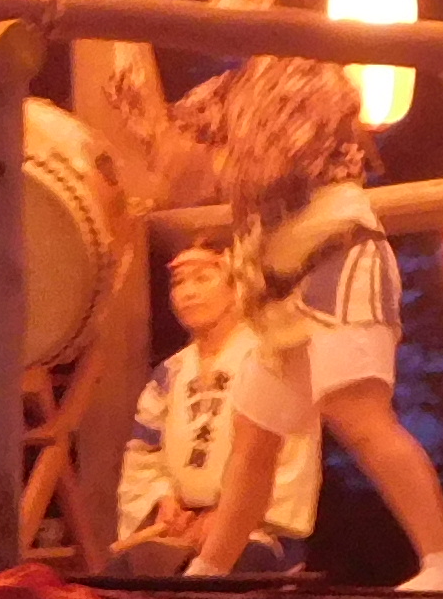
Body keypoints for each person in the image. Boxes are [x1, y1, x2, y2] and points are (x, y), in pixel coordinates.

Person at [121, 0, 443, 594]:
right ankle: (208, 573)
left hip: (337, 259)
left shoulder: (315, 67)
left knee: (360, 415)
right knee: (252, 438)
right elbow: (178, 164)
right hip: (281, 288)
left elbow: (265, 168)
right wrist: (134, 73)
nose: (213, 16)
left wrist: (212, 159)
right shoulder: (232, 89)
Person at [108, 236, 321, 574]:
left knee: (235, 571)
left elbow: (292, 450)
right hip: (183, 526)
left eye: (203, 279)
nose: (188, 293)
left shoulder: (272, 358)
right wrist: (163, 500)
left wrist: (231, 517)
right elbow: (144, 452)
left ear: (237, 285)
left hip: (257, 530)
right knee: (121, 574)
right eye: (179, 283)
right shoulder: (170, 372)